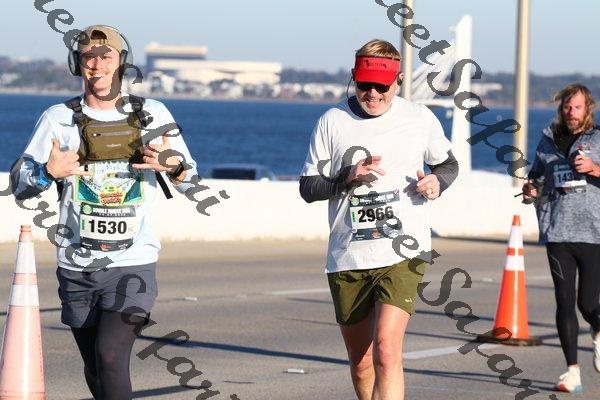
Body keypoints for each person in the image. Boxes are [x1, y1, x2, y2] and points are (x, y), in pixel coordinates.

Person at [11, 25, 197, 399]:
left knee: (110, 355)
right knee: (96, 366)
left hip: (133, 263)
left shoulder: (152, 114)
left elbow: (191, 182)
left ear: (121, 62)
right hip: (76, 265)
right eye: (88, 57)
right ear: (76, 64)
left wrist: (173, 166)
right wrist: (47, 172)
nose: (97, 65)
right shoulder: (57, 118)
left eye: (106, 56)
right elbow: (19, 185)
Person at [298, 39, 458, 400]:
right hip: (349, 255)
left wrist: (437, 181)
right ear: (354, 78)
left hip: (403, 251)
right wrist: (347, 177)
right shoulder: (332, 121)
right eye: (364, 84)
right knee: (361, 362)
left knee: (386, 350)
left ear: (397, 82)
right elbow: (308, 187)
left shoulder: (419, 118)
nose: (372, 94)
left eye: (381, 86)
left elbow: (448, 164)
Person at [523, 83, 600, 393]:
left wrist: (594, 168)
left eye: (577, 107)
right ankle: (572, 372)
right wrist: (531, 189)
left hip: (593, 232)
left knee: (588, 303)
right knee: (564, 301)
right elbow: (537, 176)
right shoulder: (547, 140)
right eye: (567, 107)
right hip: (557, 230)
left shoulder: (598, 138)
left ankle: (598, 330)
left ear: (587, 108)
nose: (571, 112)